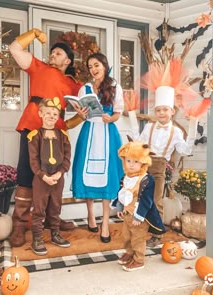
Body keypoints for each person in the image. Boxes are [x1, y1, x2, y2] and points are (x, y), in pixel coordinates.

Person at [8, 28, 86, 247]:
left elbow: (82, 109)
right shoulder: (38, 67)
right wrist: (32, 34)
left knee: (55, 177)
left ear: (68, 60)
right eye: (52, 52)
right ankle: (20, 224)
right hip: (32, 127)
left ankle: (53, 220)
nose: (53, 55)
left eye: (58, 53)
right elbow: (14, 48)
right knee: (26, 173)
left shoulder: (73, 84)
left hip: (57, 133)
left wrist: (80, 118)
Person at [131, 85, 198, 247]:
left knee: (156, 201)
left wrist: (193, 126)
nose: (161, 113)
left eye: (165, 110)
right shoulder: (149, 127)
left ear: (172, 111)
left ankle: (157, 234)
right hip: (144, 167)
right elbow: (137, 143)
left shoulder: (175, 132)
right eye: (158, 110)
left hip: (159, 170)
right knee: (138, 200)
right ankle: (139, 228)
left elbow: (186, 149)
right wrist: (133, 117)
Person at [72, 53, 124, 243]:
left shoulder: (115, 86)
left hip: (108, 133)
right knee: (87, 172)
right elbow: (84, 116)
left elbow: (118, 112)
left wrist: (110, 118)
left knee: (107, 176)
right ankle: (90, 215)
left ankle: (105, 224)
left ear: (104, 65)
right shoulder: (84, 88)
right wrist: (81, 113)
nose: (93, 69)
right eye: (90, 66)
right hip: (89, 132)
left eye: (96, 65)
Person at [111, 141, 166, 272]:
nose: (131, 165)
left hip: (139, 216)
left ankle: (139, 259)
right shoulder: (126, 177)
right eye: (129, 161)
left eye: (136, 162)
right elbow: (122, 192)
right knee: (126, 236)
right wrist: (119, 207)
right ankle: (130, 253)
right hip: (127, 214)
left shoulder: (146, 179)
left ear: (143, 162)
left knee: (138, 238)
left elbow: (146, 201)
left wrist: (139, 216)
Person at [28, 98, 71, 255]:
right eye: (47, 113)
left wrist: (60, 173)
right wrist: (43, 176)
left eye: (55, 113)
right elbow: (33, 161)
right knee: (39, 209)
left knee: (55, 207)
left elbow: (66, 158)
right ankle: (37, 238)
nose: (51, 116)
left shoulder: (63, 135)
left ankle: (55, 234)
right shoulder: (34, 136)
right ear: (40, 114)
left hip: (58, 179)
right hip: (41, 180)